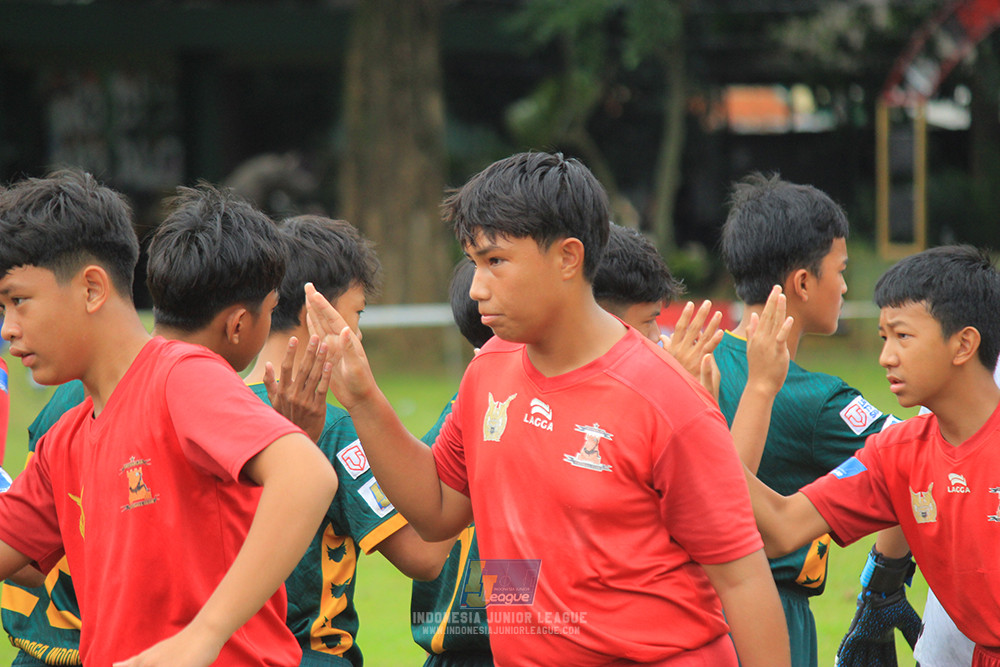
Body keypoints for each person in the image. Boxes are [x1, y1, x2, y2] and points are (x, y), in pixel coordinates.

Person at [308, 152, 790, 666]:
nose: (476, 288)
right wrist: (362, 398)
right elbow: (437, 513)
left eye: (496, 261)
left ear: (568, 258)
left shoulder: (667, 400)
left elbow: (742, 578)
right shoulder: (488, 370)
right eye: (474, 263)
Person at [0, 171, 337, 667]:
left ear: (92, 288)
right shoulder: (63, 442)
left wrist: (206, 634)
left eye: (18, 301)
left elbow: (307, 475)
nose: (8, 329)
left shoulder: (179, 377)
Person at [745, 245, 1000, 667]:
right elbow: (781, 527)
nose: (886, 357)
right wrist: (733, 404)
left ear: (963, 344)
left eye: (902, 336)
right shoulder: (896, 454)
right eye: (884, 338)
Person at [715, 172, 918, 667]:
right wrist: (881, 586)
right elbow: (919, 457)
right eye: (840, 269)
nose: (846, 285)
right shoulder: (817, 401)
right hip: (774, 616)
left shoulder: (689, 359)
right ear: (803, 283)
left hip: (691, 614)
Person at [243, 214, 453, 667]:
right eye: (355, 314)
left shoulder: (214, 408)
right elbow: (425, 555)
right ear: (313, 314)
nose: (357, 334)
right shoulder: (335, 429)